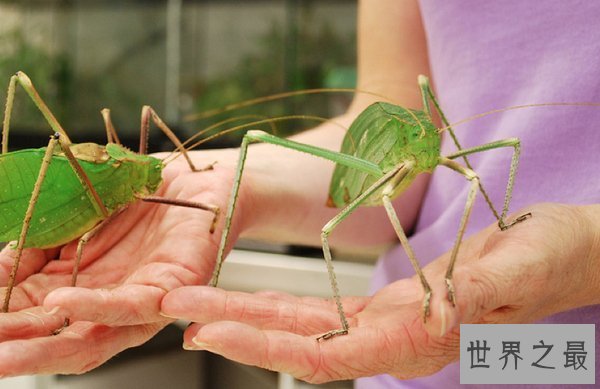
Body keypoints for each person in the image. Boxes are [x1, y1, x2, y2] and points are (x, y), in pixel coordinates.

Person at [0, 0, 598, 386]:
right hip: (422, 359)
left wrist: (590, 251)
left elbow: (476, 155)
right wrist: (240, 181)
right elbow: (382, 159)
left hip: (569, 355)